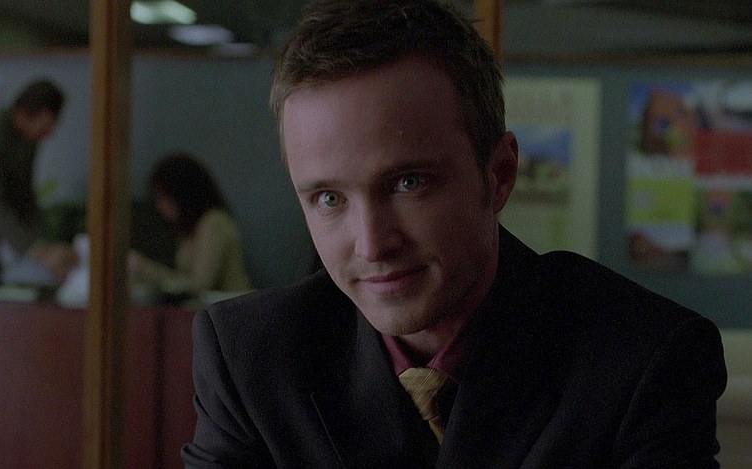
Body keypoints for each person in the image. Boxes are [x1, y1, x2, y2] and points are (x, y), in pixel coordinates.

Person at [182, 0, 727, 467]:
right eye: (329, 198)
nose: (372, 244)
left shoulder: (643, 362)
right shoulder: (250, 360)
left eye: (408, 183)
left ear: (499, 174)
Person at [0, 79, 77, 286]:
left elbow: (25, 197)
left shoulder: (27, 139)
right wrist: (38, 250)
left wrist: (47, 245)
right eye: (48, 123)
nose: (50, 133)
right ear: (24, 115)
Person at [129, 152, 252, 296]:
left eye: (164, 198)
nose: (160, 206)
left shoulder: (214, 222)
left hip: (231, 305)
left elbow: (200, 284)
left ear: (181, 195)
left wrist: (146, 269)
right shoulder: (187, 231)